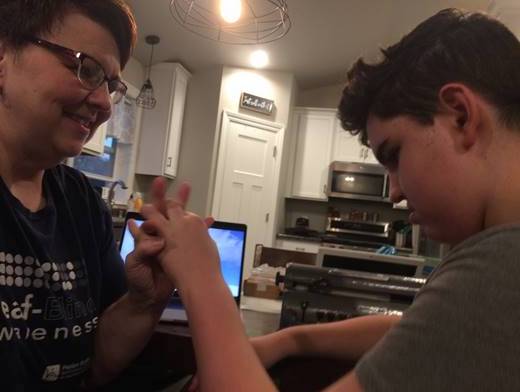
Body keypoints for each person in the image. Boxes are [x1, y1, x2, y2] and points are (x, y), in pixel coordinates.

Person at [136, 7, 520, 392]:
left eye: (394, 155)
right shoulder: (490, 279)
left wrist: (203, 279)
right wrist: (292, 339)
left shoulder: (501, 262)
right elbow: (422, 328)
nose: (396, 192)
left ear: (460, 115)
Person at [0, 1, 182, 390]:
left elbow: (90, 365)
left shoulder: (82, 201)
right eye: (87, 68)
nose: (103, 105)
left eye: (111, 86)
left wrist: (143, 302)